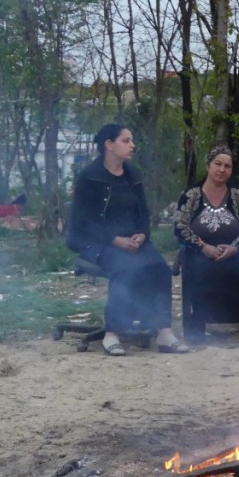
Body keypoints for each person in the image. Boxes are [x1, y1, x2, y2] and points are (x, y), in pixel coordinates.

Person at [67, 124, 188, 356]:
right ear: (109, 145)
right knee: (125, 269)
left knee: (160, 269)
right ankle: (112, 333)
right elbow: (84, 221)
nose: (132, 145)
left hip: (133, 240)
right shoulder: (89, 177)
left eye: (132, 140)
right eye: (126, 140)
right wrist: (115, 240)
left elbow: (143, 213)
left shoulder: (133, 176)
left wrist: (142, 234)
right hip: (97, 241)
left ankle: (163, 332)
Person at [174, 144, 239, 342]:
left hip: (234, 248)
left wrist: (235, 247)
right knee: (202, 268)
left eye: (227, 166)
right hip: (199, 249)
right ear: (208, 166)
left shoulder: (238, 196)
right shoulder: (191, 195)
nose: (222, 170)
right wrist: (202, 246)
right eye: (218, 164)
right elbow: (180, 227)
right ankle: (199, 317)